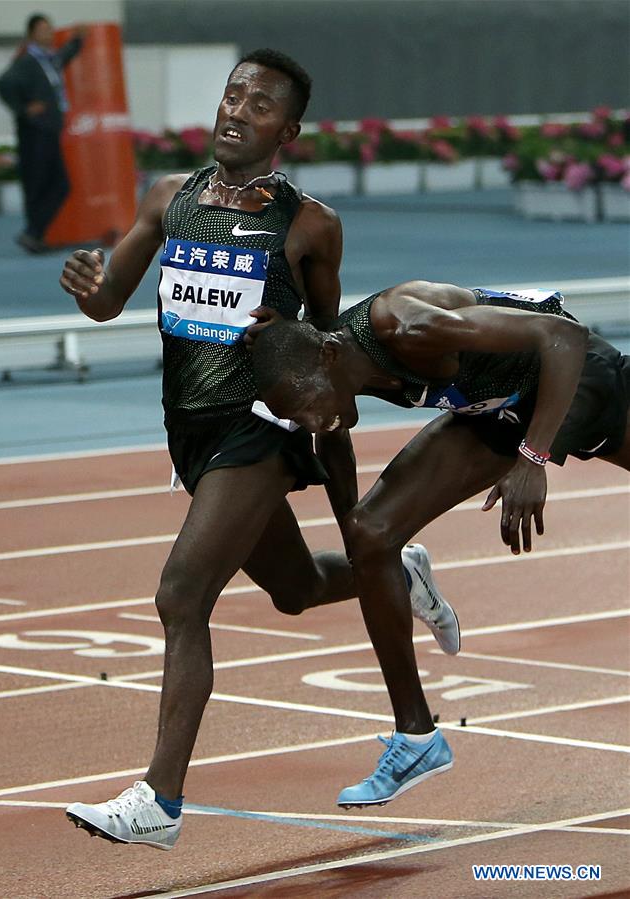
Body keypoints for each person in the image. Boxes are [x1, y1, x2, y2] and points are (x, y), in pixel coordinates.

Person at [58, 50, 458, 850]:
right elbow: (110, 303)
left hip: (261, 429)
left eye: (259, 103)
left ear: (288, 129)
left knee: (181, 594)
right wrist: (91, 285)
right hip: (191, 426)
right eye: (232, 94)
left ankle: (158, 802)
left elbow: (323, 348)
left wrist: (344, 485)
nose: (237, 109)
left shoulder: (308, 224)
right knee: (296, 587)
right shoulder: (168, 199)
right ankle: (401, 569)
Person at [252, 280, 629, 806]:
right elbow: (344, 481)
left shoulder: (410, 325)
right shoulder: (326, 371)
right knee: (371, 532)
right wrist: (372, 560)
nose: (312, 420)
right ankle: (417, 738)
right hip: (494, 409)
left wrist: (533, 458)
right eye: (300, 417)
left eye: (309, 406)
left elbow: (562, 335)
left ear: (331, 357)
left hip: (573, 375)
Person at [0, 13, 85, 253]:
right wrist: (24, 109)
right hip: (34, 133)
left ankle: (34, 233)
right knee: (40, 184)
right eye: (43, 29)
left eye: (50, 28)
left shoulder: (49, 59)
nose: (49, 32)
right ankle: (33, 233)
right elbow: (2, 84)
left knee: (57, 184)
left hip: (49, 131)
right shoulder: (27, 62)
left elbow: (64, 57)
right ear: (32, 34)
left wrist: (77, 42)